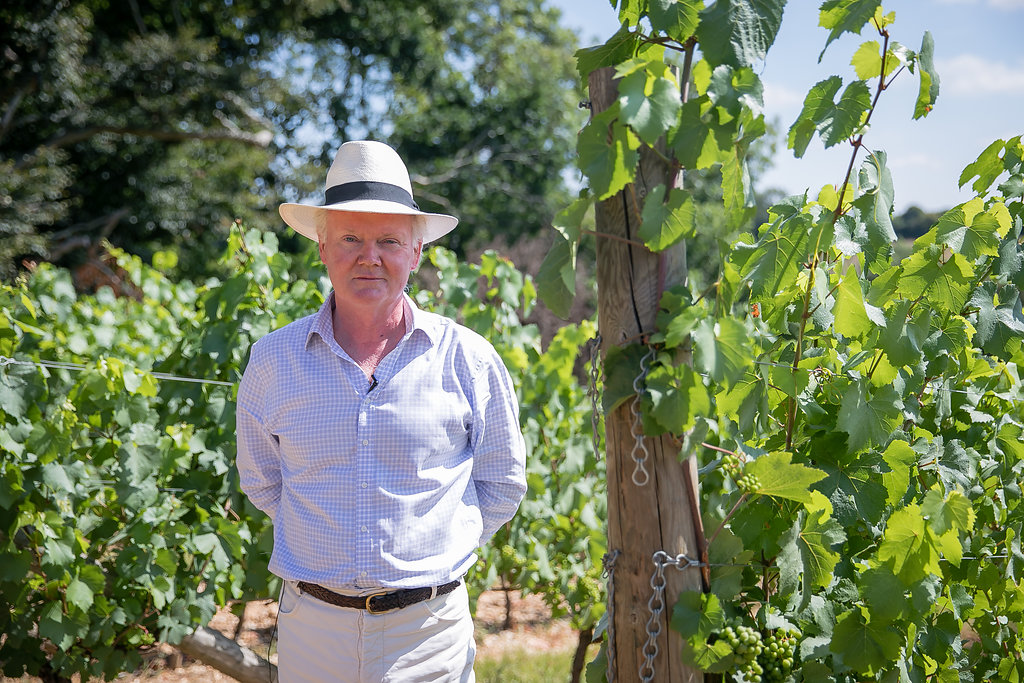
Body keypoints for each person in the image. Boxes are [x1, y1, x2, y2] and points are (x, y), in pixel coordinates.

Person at [235, 140, 527, 682]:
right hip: (313, 631)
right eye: (350, 238)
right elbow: (262, 482)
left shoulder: (468, 358)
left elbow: (502, 483)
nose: (370, 256)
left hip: (429, 634)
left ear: (416, 253)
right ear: (322, 247)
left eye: (389, 240)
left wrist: (432, 554)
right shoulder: (272, 360)